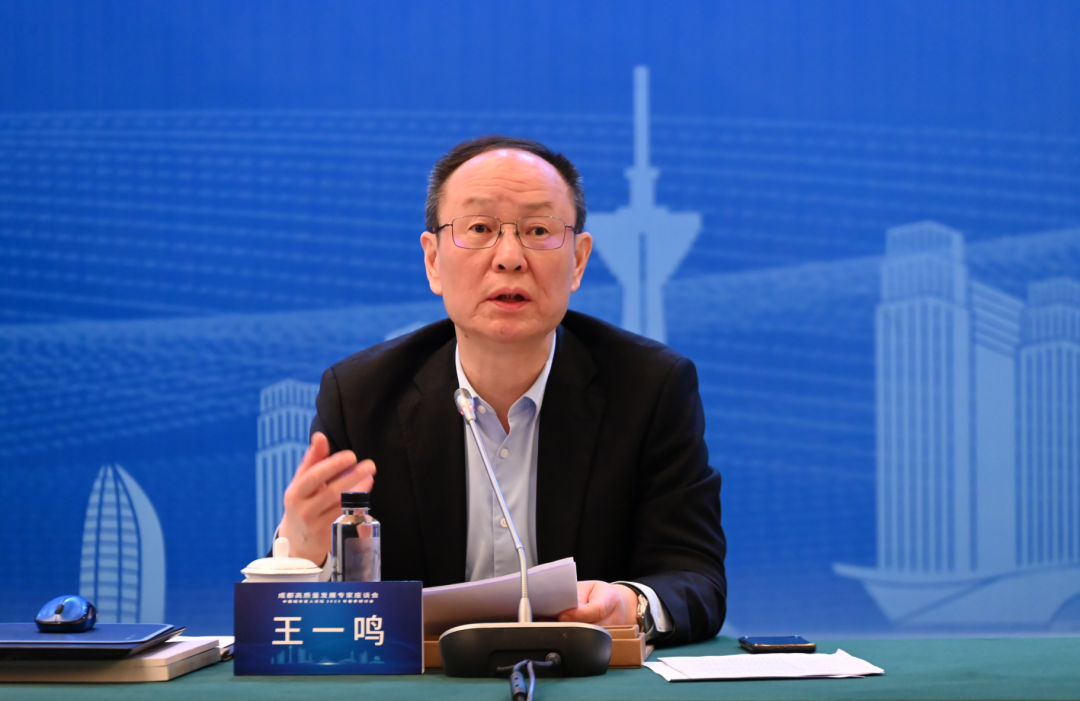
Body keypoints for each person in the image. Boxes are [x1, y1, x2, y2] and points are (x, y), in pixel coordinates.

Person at [277, 136, 726, 646]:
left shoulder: (650, 388)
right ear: (433, 261)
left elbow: (695, 577)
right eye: (479, 229)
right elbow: (304, 627)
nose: (509, 258)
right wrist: (302, 553)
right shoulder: (360, 396)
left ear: (578, 261)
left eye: (538, 230)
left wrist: (631, 604)